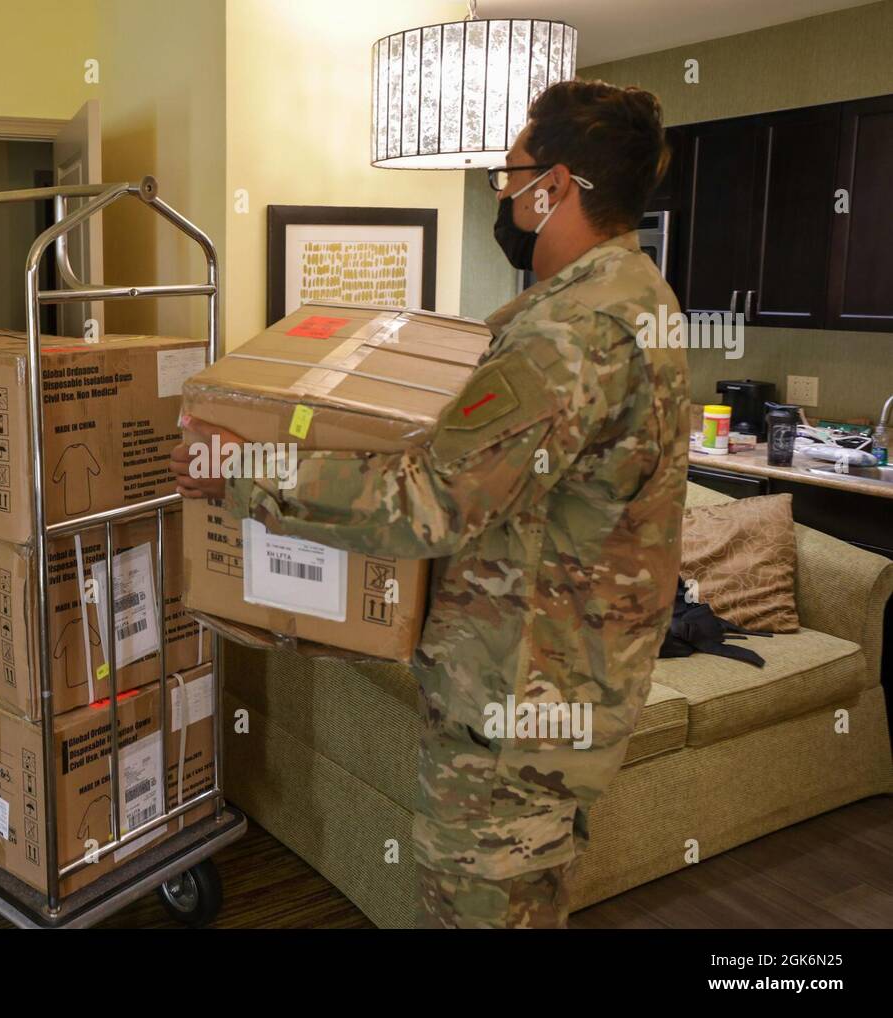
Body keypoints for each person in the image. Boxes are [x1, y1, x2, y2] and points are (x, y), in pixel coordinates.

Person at [172, 79, 689, 929]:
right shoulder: (639, 301)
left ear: (554, 186)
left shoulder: (571, 333)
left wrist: (245, 466)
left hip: (513, 719)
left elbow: (425, 503)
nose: (503, 193)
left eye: (508, 174)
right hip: (562, 697)